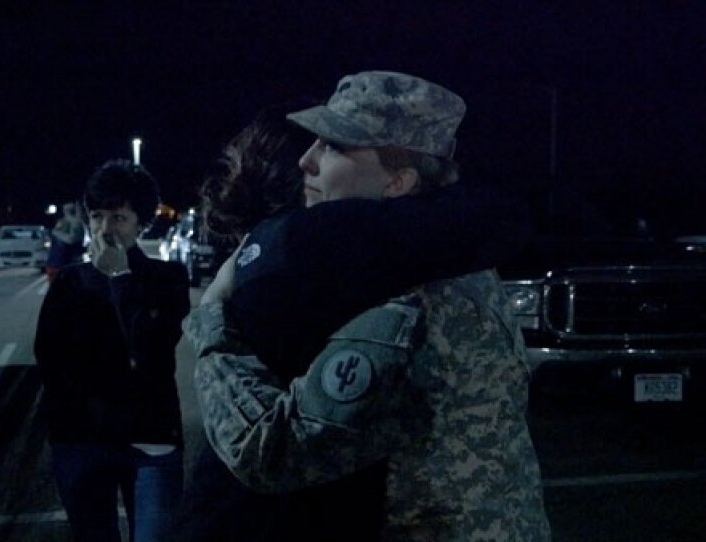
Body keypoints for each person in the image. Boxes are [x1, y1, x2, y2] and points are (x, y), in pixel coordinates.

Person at [184, 72, 551, 541]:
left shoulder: (405, 307)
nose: (305, 161)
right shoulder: (465, 266)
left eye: (334, 147)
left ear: (399, 181)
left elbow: (268, 454)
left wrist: (214, 321)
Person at [34, 159, 190, 542]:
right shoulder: (69, 283)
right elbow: (49, 358)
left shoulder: (166, 279)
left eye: (118, 217)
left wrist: (120, 279)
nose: (106, 230)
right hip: (81, 441)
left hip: (149, 437)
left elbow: (152, 349)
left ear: (141, 222)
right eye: (98, 216)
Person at [45, 200, 86, 282]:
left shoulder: (76, 222)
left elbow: (72, 239)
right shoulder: (63, 221)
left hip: (66, 263)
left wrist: (56, 232)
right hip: (57, 263)